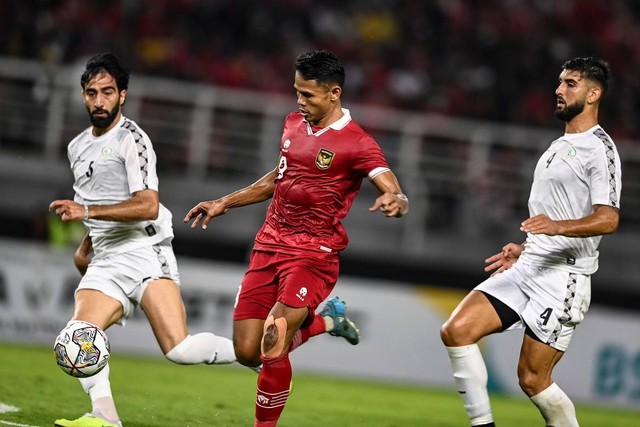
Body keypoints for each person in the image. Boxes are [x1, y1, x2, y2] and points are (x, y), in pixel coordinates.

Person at [184, 50, 409, 426]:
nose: (300, 102)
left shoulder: (357, 143)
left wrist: (393, 201)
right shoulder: (292, 124)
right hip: (269, 243)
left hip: (313, 254)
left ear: (334, 93)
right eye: (297, 93)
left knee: (275, 337)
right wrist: (225, 202)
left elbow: (396, 191)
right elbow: (278, 178)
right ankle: (328, 323)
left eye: (309, 95)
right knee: (247, 352)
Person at [49, 53, 238, 427]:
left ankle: (254, 355)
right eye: (91, 93)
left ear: (122, 95)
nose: (99, 101)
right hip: (105, 258)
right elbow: (92, 200)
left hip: (144, 251)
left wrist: (86, 214)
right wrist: (87, 244)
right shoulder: (76, 147)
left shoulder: (132, 140)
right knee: (80, 335)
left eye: (107, 92)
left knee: (180, 349)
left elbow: (147, 205)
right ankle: (104, 417)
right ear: (84, 97)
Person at [440, 57, 621, 427]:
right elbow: (555, 213)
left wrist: (555, 228)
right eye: (560, 82)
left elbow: (609, 218)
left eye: (570, 83)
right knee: (456, 330)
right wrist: (527, 247)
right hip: (530, 265)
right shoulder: (560, 143)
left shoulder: (600, 149)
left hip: (563, 279)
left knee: (532, 380)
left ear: (593, 93)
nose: (559, 89)